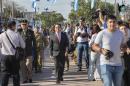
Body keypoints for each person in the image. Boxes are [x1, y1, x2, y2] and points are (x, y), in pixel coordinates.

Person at [92, 15, 125, 86]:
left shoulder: (120, 33)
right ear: (106, 23)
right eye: (110, 22)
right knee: (108, 84)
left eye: (114, 22)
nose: (112, 24)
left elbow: (123, 45)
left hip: (118, 64)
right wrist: (101, 50)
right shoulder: (102, 33)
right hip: (105, 64)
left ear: (116, 23)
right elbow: (94, 46)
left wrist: (126, 48)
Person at [0, 21, 25, 86]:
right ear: (13, 26)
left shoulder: (2, 35)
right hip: (14, 56)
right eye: (15, 25)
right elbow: (23, 45)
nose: (15, 27)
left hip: (4, 57)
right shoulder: (17, 34)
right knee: (15, 73)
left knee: (5, 73)